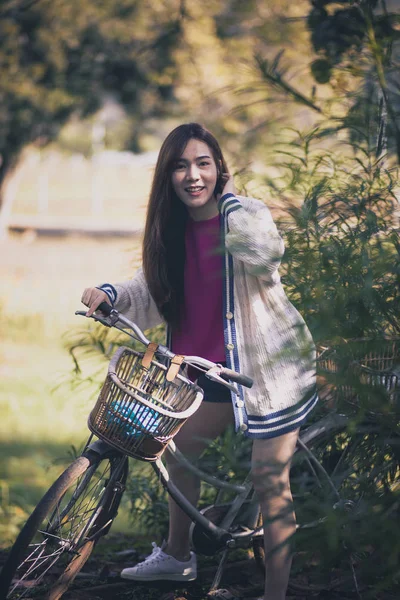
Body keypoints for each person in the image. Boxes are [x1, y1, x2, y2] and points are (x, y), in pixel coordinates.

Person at [81, 123, 318, 600]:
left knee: (269, 482)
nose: (192, 175)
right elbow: (148, 290)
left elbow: (266, 256)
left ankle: (275, 594)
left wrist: (230, 201)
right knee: (177, 449)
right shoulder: (174, 232)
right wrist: (108, 294)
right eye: (180, 166)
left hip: (268, 371)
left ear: (219, 169)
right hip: (205, 372)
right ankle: (177, 556)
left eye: (203, 163)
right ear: (167, 177)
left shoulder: (245, 214)